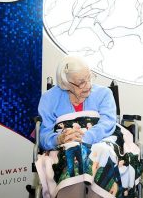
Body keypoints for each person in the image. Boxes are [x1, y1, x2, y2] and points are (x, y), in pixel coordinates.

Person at [38, 55, 117, 197]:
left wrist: (85, 136)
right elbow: (44, 137)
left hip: (100, 143)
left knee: (103, 151)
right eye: (81, 82)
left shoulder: (104, 93)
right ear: (66, 83)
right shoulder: (49, 98)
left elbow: (108, 123)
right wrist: (59, 139)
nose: (88, 85)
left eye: (89, 77)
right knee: (73, 152)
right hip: (64, 150)